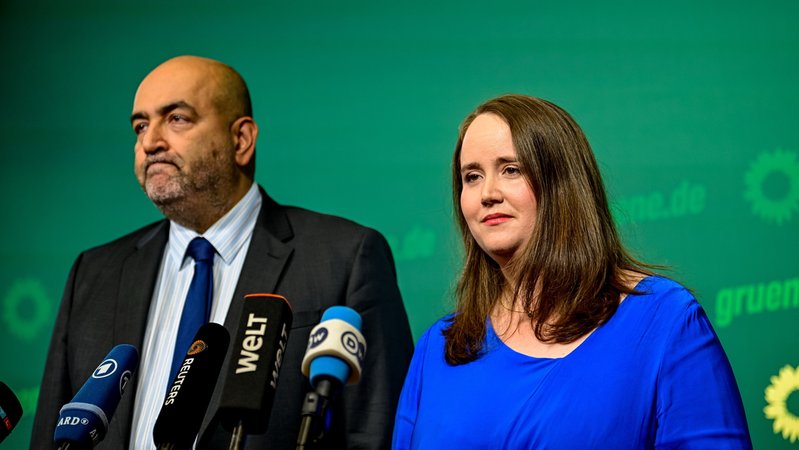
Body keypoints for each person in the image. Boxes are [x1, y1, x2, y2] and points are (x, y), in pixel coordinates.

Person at [32, 55, 414, 449]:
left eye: (177, 118)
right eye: (140, 125)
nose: (149, 142)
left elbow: (374, 433)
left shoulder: (344, 257)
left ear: (241, 140)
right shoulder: (93, 273)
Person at [392, 94, 752, 449]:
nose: (487, 193)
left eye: (511, 170)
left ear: (562, 184)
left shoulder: (664, 321)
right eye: (471, 176)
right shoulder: (438, 348)